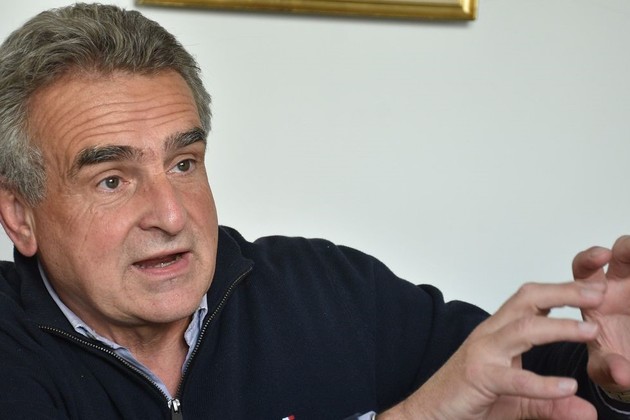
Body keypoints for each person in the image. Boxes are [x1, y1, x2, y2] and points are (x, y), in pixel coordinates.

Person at [0, 3, 629, 419]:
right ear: (20, 215)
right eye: (112, 180)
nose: (170, 215)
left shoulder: (327, 288)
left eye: (184, 163)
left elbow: (527, 381)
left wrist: (607, 374)